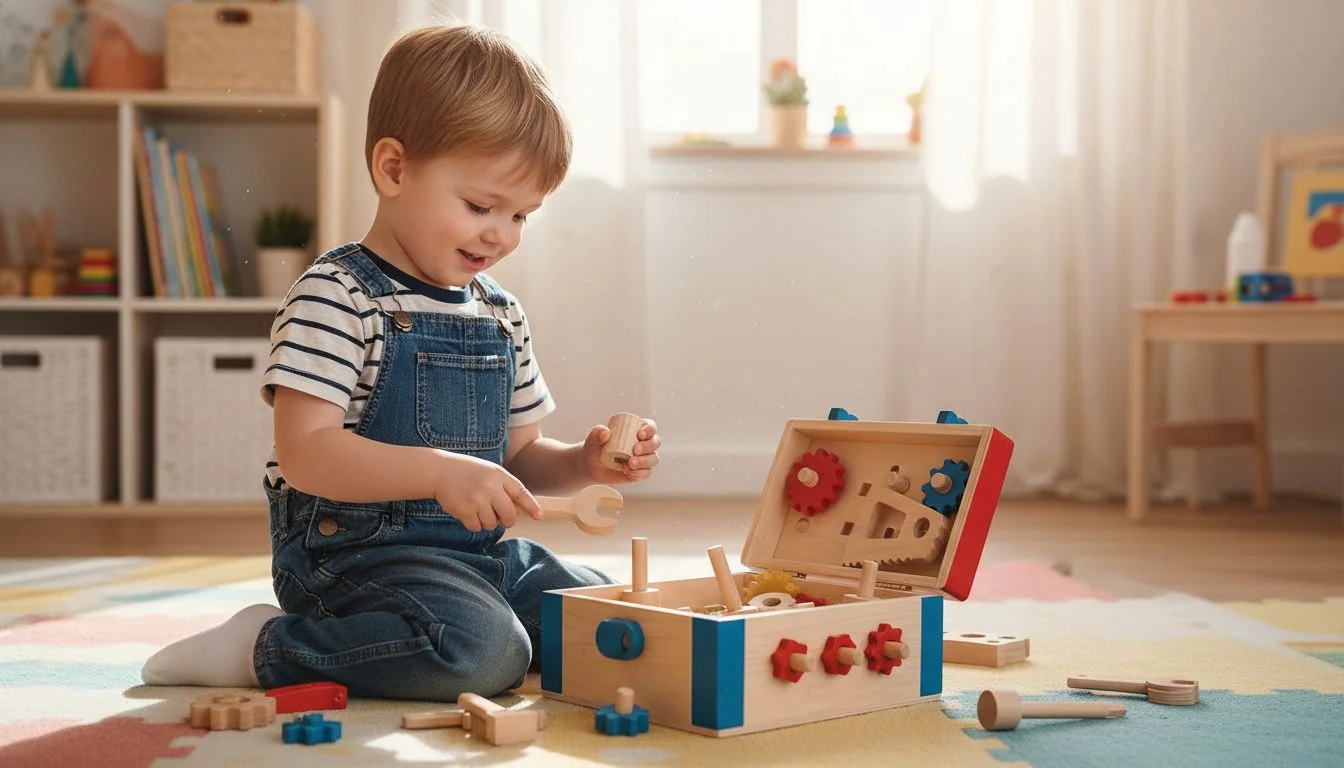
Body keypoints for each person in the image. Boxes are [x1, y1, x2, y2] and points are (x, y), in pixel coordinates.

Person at [140, 22, 661, 702]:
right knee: (486, 653)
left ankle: (463, 624)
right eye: (480, 205)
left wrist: (582, 465)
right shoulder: (337, 295)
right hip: (352, 561)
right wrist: (438, 473)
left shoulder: (500, 312)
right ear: (393, 169)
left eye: (522, 216)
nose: (501, 235)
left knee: (611, 615)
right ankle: (268, 646)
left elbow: (520, 459)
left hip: (478, 559)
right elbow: (306, 454)